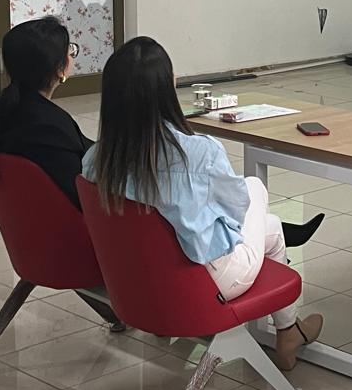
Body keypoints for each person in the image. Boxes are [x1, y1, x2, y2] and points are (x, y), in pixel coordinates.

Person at [82, 37, 323, 370]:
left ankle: (289, 329)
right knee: (253, 189)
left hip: (137, 279)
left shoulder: (96, 161)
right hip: (206, 282)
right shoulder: (198, 153)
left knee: (272, 228)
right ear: (167, 88)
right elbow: (235, 210)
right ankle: (288, 331)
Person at [0, 17, 89, 208]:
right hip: (70, 219)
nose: (72, 54)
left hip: (29, 218)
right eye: (69, 50)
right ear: (60, 68)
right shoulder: (50, 126)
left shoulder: (1, 107)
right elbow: (82, 190)